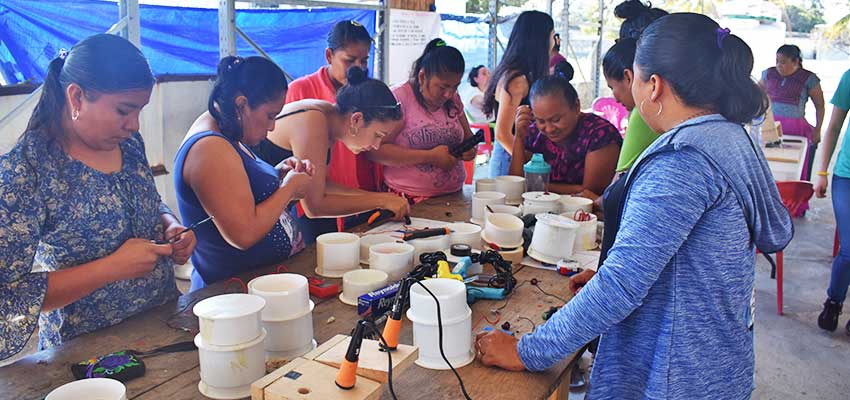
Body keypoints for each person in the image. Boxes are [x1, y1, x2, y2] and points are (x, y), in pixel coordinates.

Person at [476, 14, 793, 399]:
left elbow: (621, 286)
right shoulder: (731, 137)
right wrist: (637, 274)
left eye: (635, 76)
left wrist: (528, 351)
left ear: (654, 85)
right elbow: (694, 258)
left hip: (674, 377)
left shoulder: (682, 160)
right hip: (717, 362)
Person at [0, 34, 197, 360]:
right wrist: (111, 268)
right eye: (124, 110)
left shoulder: (128, 144)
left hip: (163, 325)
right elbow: (8, 296)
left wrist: (169, 223)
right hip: (85, 354)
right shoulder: (26, 173)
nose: (134, 124)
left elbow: (146, 200)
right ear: (76, 97)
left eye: (139, 111)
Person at [175, 56, 314, 292]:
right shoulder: (210, 148)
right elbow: (244, 234)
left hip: (255, 286)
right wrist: (288, 188)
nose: (272, 127)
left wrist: (277, 176)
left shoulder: (228, 129)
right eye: (270, 115)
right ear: (241, 104)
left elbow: (237, 189)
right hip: (232, 295)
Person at [257, 20, 377, 240]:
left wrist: (373, 196)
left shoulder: (363, 92)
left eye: (364, 60)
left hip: (344, 191)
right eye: (350, 60)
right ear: (329, 56)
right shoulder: (305, 99)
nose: (358, 68)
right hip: (311, 200)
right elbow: (312, 198)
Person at [264, 67, 410, 223]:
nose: (376, 146)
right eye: (377, 135)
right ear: (356, 120)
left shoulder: (329, 119)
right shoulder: (314, 121)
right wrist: (380, 201)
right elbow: (314, 206)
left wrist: (384, 198)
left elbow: (323, 185)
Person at [369, 39, 476, 201]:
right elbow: (376, 151)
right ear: (422, 76)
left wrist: (468, 150)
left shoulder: (453, 99)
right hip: (409, 199)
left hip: (454, 195)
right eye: (442, 87)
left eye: (455, 86)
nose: (449, 94)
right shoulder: (399, 98)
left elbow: (468, 137)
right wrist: (430, 156)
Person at [508, 62, 621, 197]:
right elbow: (515, 184)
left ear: (576, 106)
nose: (549, 129)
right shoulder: (533, 132)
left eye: (556, 120)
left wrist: (536, 186)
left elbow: (589, 193)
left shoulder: (600, 134)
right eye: (541, 121)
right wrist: (519, 138)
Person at [483, 10, 554, 178]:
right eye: (552, 35)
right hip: (509, 159)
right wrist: (527, 160)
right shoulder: (517, 79)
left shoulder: (519, 73)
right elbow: (502, 133)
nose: (554, 41)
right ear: (540, 39)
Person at [814, 68, 850, 334]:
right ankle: (834, 301)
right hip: (846, 176)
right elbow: (834, 126)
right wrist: (822, 172)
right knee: (849, 250)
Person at [760, 44, 825, 180]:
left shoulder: (809, 78)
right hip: (770, 127)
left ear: (795, 62)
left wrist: (818, 130)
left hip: (797, 129)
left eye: (783, 62)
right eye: (777, 61)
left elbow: (819, 106)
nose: (779, 65)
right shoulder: (768, 74)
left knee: (795, 168)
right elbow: (756, 95)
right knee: (769, 166)